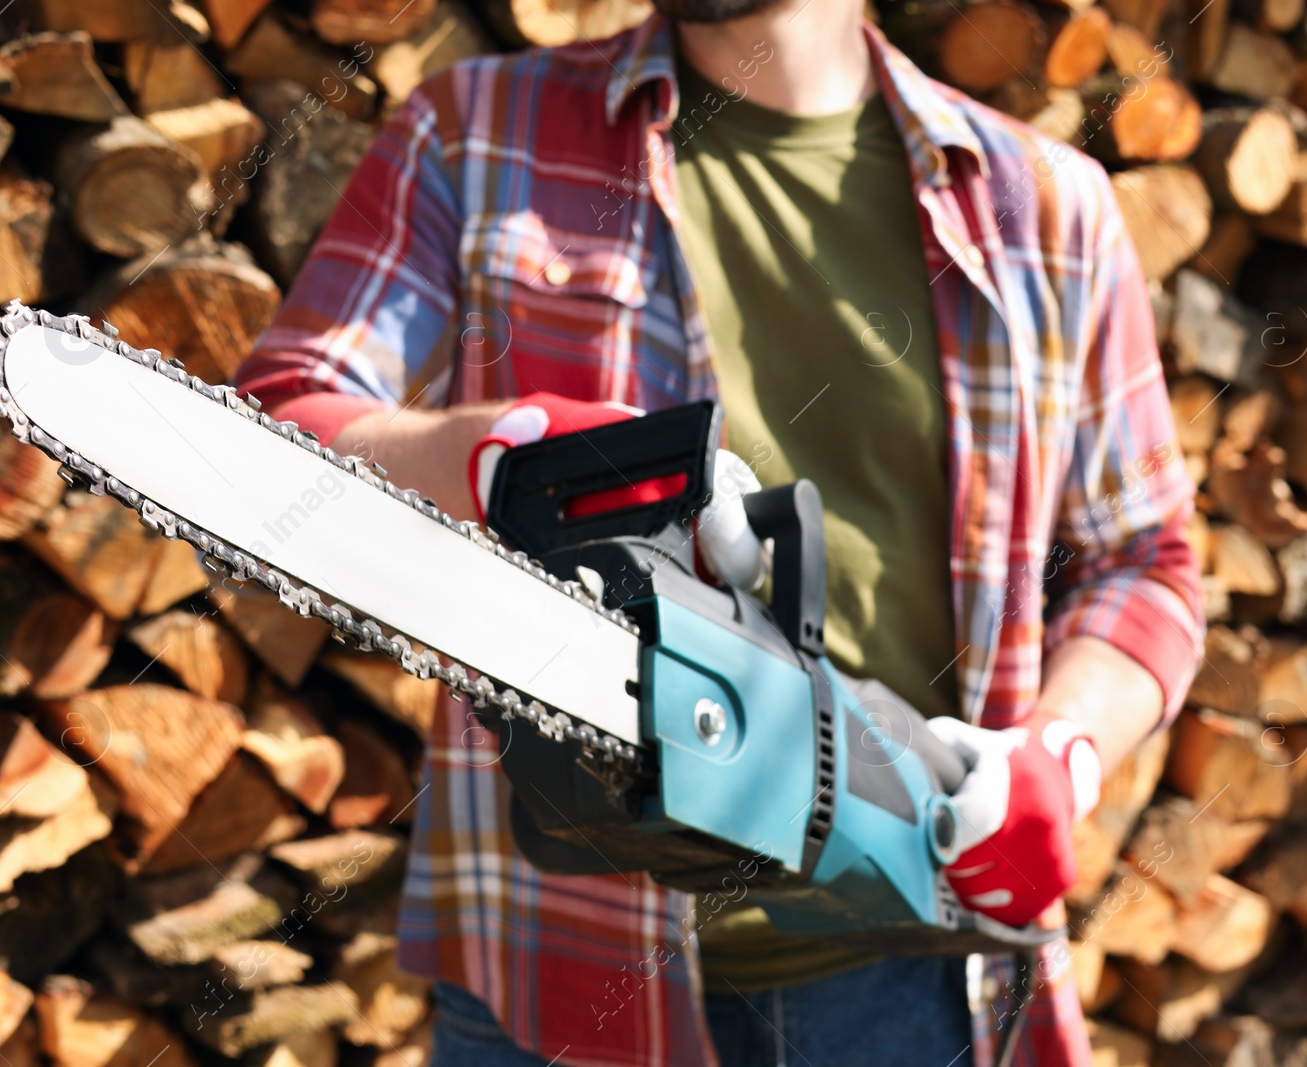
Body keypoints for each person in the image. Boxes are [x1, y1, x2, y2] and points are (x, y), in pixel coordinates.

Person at [233, 0, 1206, 1059]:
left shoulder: (1046, 211)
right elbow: (279, 431)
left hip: (917, 975)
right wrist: (493, 456)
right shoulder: (476, 136)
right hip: (556, 961)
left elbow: (1142, 560)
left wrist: (1061, 750)